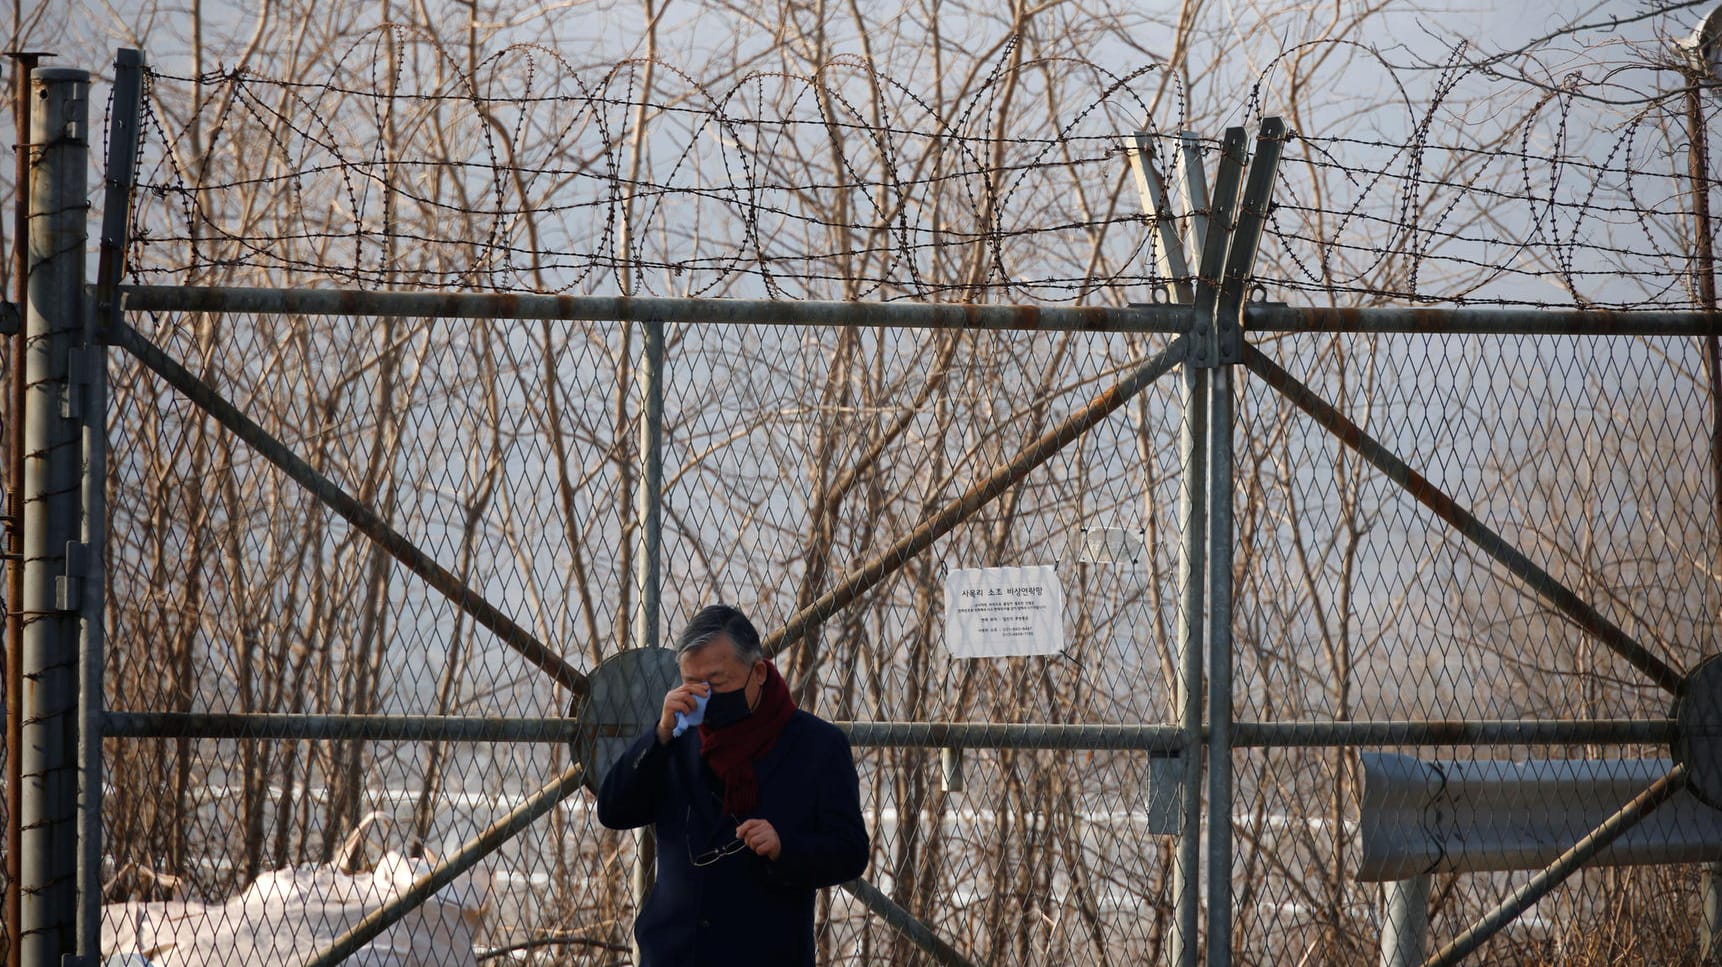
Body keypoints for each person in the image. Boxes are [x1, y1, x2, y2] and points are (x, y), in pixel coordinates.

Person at [597, 604, 869, 966]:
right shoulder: (676, 738)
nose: (702, 696)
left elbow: (850, 852)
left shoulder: (817, 746)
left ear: (757, 672)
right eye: (691, 683)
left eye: (716, 683)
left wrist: (784, 847)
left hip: (766, 953)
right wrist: (659, 735)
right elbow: (614, 809)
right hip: (675, 953)